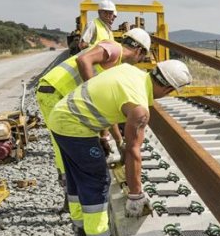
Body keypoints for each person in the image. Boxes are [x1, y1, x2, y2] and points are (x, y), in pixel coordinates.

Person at [47, 60, 192, 236]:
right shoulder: (140, 109)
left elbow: (107, 107)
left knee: (76, 177)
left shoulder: (129, 71)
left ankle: (82, 231)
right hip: (74, 127)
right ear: (168, 88)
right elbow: (134, 150)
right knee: (97, 180)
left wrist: (113, 139)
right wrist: (135, 194)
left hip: (59, 117)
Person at [36, 28, 152, 210]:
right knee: (64, 149)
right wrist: (91, 89)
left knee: (69, 149)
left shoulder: (116, 64)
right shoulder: (114, 48)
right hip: (54, 91)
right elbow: (83, 60)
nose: (137, 63)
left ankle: (74, 200)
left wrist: (112, 139)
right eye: (141, 59)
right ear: (139, 51)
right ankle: (71, 198)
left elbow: (103, 113)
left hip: (58, 93)